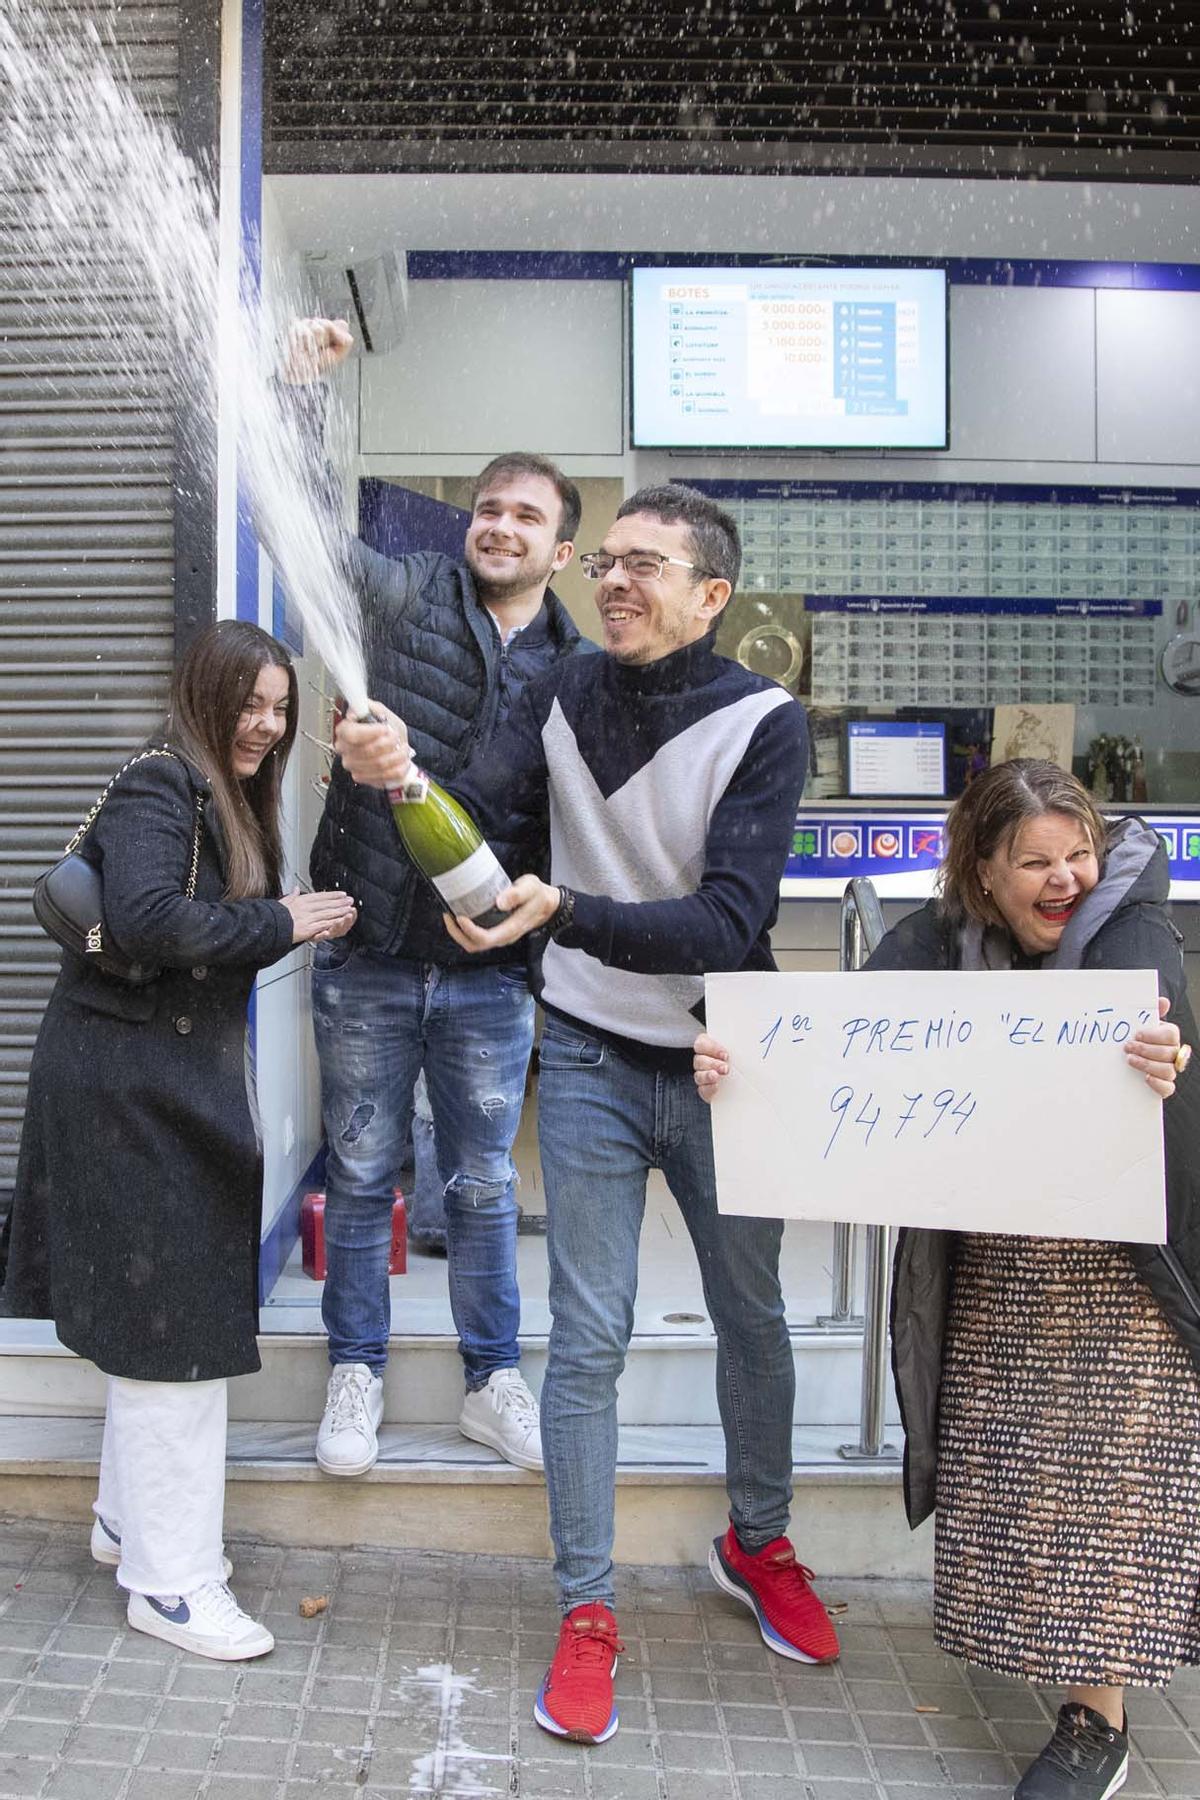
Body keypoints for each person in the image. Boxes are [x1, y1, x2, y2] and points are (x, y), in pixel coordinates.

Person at [334, 482, 841, 1748]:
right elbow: (484, 815)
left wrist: (558, 911)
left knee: (752, 1316)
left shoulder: (766, 722)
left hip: (730, 1056)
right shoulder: (558, 692)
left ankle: (760, 1541)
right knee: (592, 1337)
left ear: (711, 595)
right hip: (596, 1063)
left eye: (646, 565)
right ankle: (586, 1607)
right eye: (606, 560)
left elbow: (730, 921)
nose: (614, 581)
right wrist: (399, 781)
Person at [696, 759, 1199, 1800]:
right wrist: (739, 1068)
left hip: (1125, 1275)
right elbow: (832, 1050)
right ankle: (1055, 1666)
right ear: (979, 870)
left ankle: (1094, 1721)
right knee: (1019, 1482)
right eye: (1036, 863)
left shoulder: (1137, 934)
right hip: (1001, 1269)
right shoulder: (934, 943)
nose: (1066, 880)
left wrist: (1165, 1059)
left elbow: (1167, 1039)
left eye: (1078, 855)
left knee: (1105, 1490)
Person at [0, 621, 355, 1661]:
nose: (267, 724)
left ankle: (125, 1525)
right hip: (129, 1089)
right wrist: (285, 921)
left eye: (281, 707)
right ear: (203, 696)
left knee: (155, 1320)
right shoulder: (164, 785)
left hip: (146, 1082)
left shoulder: (219, 795)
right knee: (175, 1339)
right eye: (249, 702)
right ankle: (172, 1584)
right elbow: (151, 920)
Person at [283, 318, 590, 1478]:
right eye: (489, 508)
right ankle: (355, 1373)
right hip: (367, 953)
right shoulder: (408, 594)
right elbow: (310, 532)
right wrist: (301, 399)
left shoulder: (578, 672)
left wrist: (532, 915)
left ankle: (490, 1379)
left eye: (527, 516)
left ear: (562, 549)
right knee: (361, 1173)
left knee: (479, 1182)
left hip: (489, 976)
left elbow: (571, 827)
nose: (499, 526)